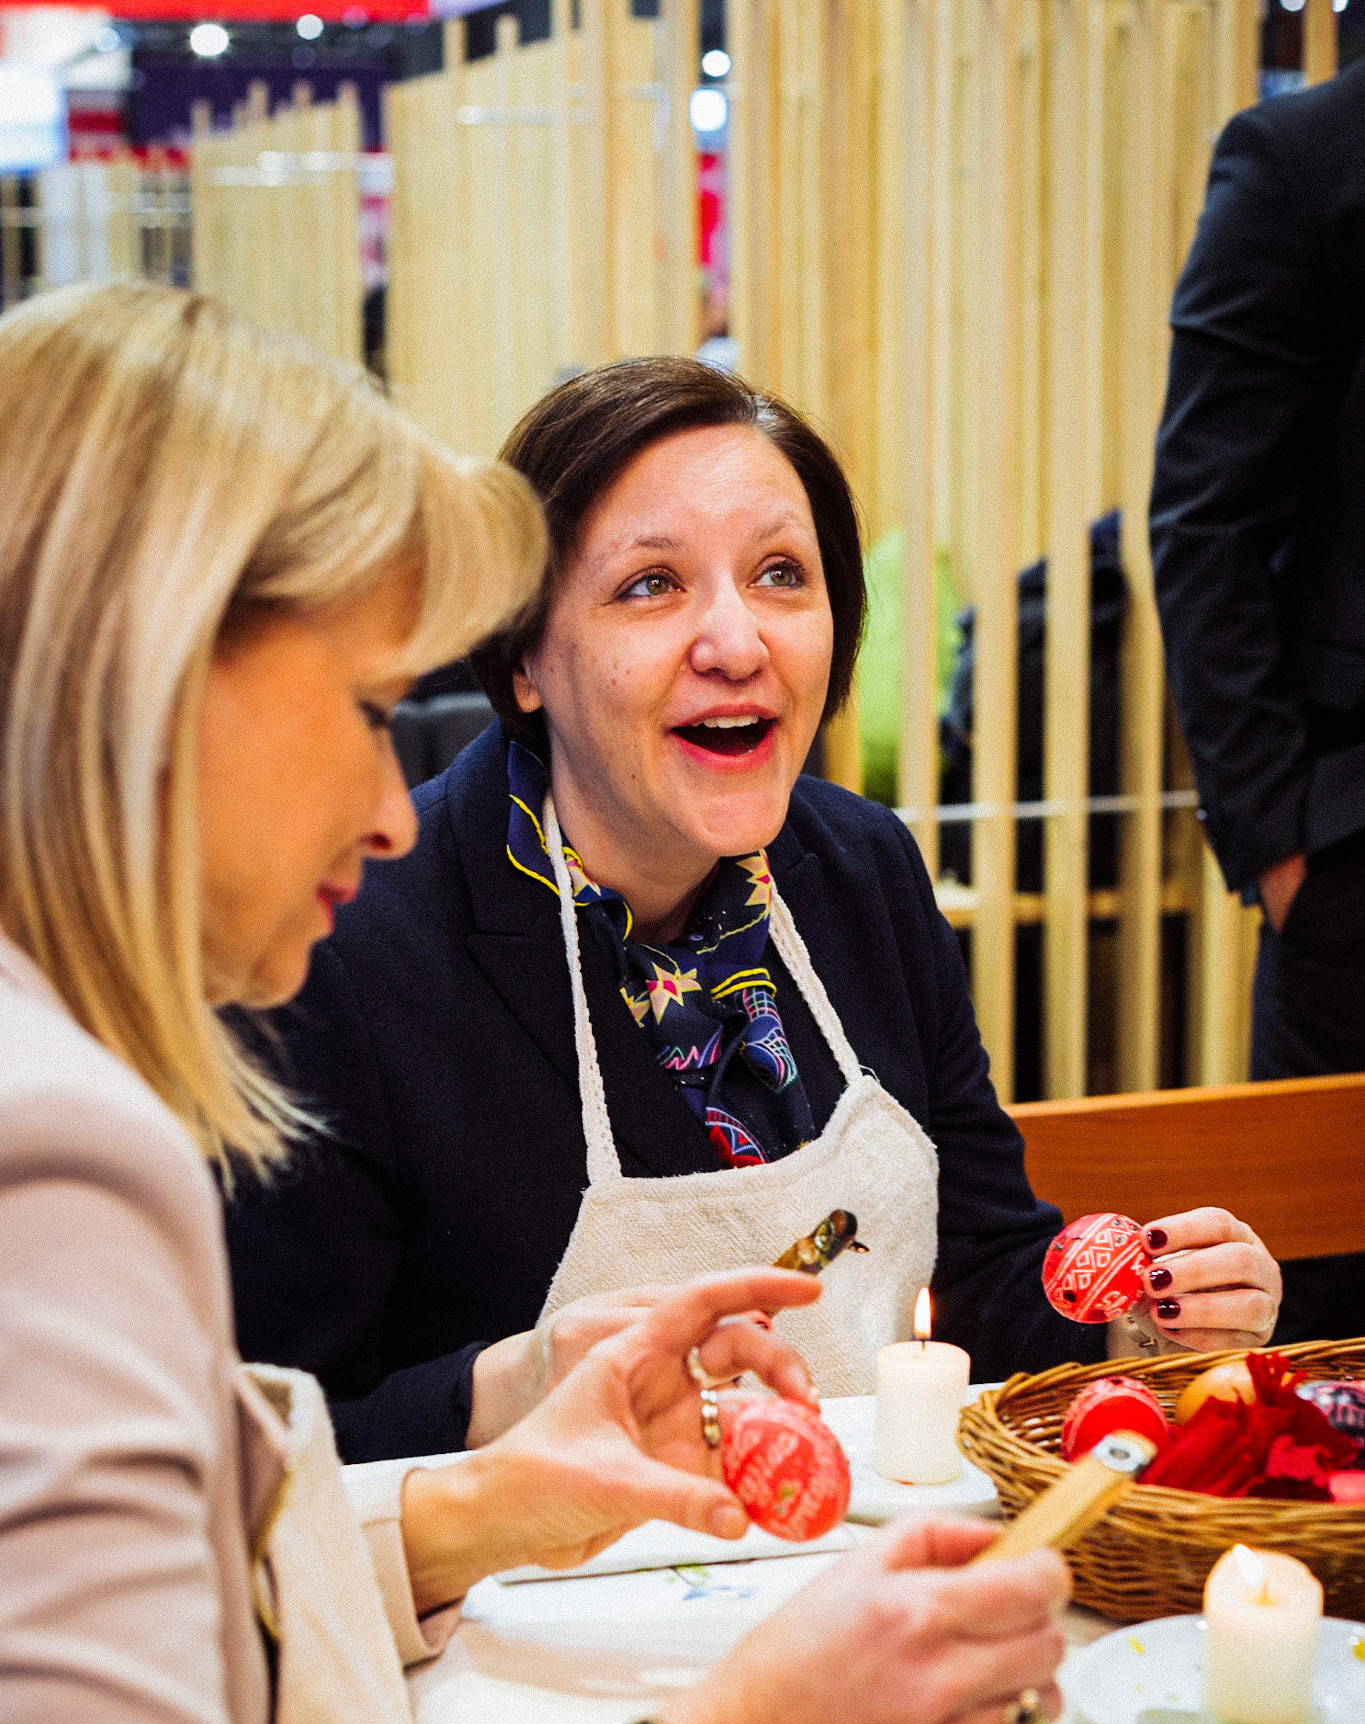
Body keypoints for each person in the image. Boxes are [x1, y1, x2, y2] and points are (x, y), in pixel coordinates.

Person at [0, 280, 1076, 1724]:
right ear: (157, 674)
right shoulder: (62, 1146)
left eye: (783, 575)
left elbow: (186, 1554)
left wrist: (492, 1483)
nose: (388, 800)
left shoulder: (861, 871)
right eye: (368, 702)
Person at [226, 358, 1282, 1463]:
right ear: (525, 655)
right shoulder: (343, 945)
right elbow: (272, 1444)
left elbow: (976, 1278)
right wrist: (511, 1387)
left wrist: (1146, 1320)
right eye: (650, 585)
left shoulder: (864, 871)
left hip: (872, 1547)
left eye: (781, 574)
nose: (738, 645)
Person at [1149, 62, 1365, 1341]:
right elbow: (1206, 524)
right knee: (1332, 1330)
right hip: (1350, 851)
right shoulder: (1307, 158)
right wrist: (1288, 844)